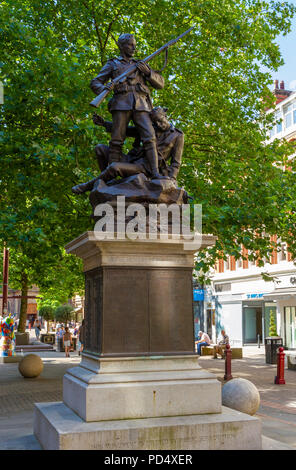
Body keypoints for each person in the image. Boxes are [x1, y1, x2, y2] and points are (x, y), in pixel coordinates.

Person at [90, 33, 166, 179]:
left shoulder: (141, 64)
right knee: (117, 140)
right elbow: (95, 82)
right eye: (130, 45)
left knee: (149, 138)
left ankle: (155, 173)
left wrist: (149, 73)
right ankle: (110, 176)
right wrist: (106, 89)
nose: (134, 48)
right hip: (121, 104)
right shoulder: (113, 64)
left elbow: (160, 83)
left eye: (134, 45)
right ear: (121, 46)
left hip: (142, 106)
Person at [72, 107, 184, 194]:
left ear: (165, 116)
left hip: (146, 167)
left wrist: (172, 179)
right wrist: (104, 124)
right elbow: (127, 130)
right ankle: (107, 181)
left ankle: (87, 186)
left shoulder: (177, 135)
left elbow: (176, 162)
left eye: (160, 121)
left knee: (114, 167)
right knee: (100, 149)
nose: (159, 125)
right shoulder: (150, 129)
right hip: (132, 160)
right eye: (155, 123)